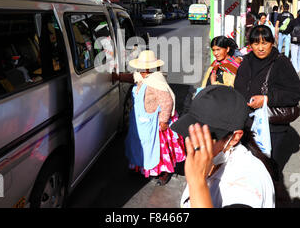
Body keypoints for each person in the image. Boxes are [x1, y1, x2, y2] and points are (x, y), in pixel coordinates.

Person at [171, 85, 275, 208]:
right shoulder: (209, 162)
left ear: (235, 138)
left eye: (205, 137)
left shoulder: (248, 181)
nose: (193, 142)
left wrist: (198, 183)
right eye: (190, 133)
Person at [234, 25, 300, 174]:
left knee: (269, 169)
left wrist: (266, 99)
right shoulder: (246, 61)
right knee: (249, 169)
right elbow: (239, 87)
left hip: (272, 127)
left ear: (272, 42)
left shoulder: (281, 62)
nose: (260, 48)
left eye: (264, 43)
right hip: (248, 125)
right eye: (256, 43)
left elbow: (295, 93)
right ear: (250, 45)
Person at [114, 50, 186, 185]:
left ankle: (163, 173)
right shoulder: (140, 76)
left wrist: (164, 121)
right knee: (139, 145)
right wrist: (117, 77)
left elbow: (167, 102)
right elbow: (132, 77)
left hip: (155, 122)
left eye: (144, 67)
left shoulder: (156, 80)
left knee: (157, 149)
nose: (142, 70)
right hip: (141, 122)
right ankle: (139, 166)